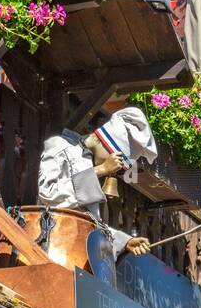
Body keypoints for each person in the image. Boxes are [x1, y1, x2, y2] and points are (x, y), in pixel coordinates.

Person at [37, 105, 157, 260]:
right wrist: (100, 170)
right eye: (115, 163)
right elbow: (48, 194)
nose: (114, 171)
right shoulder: (60, 145)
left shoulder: (88, 168)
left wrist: (125, 242)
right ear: (102, 142)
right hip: (48, 249)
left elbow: (91, 223)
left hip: (72, 255)